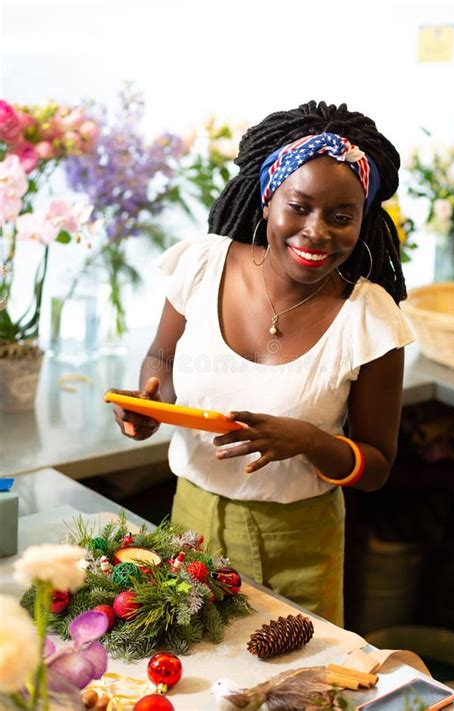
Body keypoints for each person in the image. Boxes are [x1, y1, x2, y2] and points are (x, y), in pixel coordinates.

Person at [110, 100, 414, 626]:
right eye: (299, 207)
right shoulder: (203, 265)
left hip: (299, 542)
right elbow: (161, 355)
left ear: (363, 222)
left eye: (343, 218)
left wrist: (311, 442)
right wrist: (150, 401)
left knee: (296, 694)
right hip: (190, 521)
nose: (317, 232)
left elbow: (377, 468)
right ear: (269, 196)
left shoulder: (371, 320)